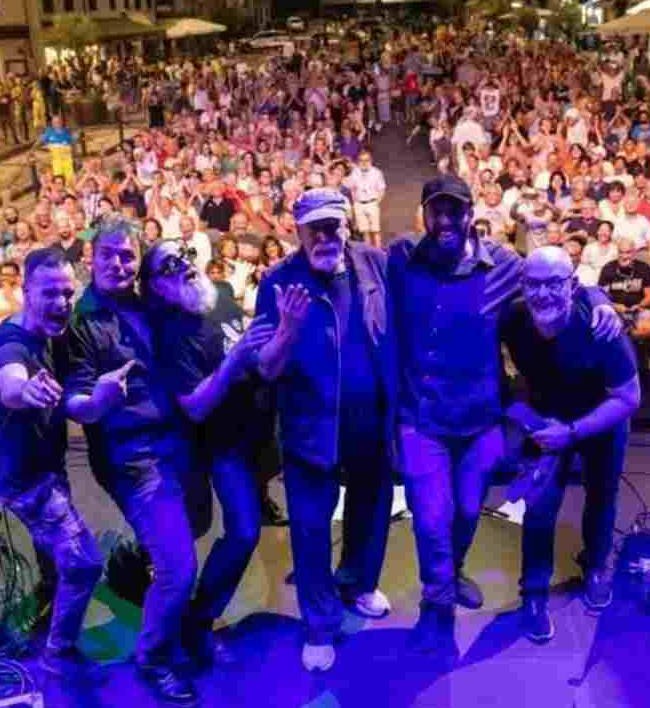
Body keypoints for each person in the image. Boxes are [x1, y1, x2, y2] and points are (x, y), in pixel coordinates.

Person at [387, 175, 619, 657]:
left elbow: (559, 278)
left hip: (478, 422)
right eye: (437, 210)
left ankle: (451, 572)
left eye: (455, 210)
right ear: (424, 214)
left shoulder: (503, 264)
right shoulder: (402, 258)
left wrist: (598, 298)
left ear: (471, 212)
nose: (446, 220)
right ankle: (439, 608)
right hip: (422, 419)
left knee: (468, 511)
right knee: (432, 519)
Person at [252, 189, 397, 672]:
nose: (325, 236)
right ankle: (319, 626)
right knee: (312, 532)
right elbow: (266, 369)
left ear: (348, 225)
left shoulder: (374, 264)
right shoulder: (277, 282)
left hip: (370, 423)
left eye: (332, 225)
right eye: (314, 227)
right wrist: (287, 331)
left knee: (370, 513)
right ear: (297, 231)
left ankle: (357, 583)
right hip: (310, 429)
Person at [63, 219, 200, 708]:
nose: (119, 264)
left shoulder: (145, 299)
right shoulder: (83, 322)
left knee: (187, 533)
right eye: (109, 255)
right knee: (179, 568)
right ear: (90, 258)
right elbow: (77, 400)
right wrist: (98, 400)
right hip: (134, 458)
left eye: (127, 255)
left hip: (176, 443)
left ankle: (136, 567)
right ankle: (155, 657)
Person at [140, 241, 273, 667]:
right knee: (243, 532)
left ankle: (186, 610)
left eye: (186, 255)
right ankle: (198, 622)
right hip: (222, 445)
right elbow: (195, 405)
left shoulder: (219, 293)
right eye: (170, 265)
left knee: (239, 524)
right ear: (156, 287)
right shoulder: (171, 334)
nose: (186, 265)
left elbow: (250, 346)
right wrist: (236, 359)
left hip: (260, 434)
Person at [501, 246, 640, 639]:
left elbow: (629, 398)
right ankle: (533, 593)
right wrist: (523, 414)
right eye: (534, 284)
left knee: (602, 495)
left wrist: (574, 431)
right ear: (522, 286)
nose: (543, 294)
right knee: (540, 506)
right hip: (546, 419)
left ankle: (596, 564)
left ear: (573, 286)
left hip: (600, 421)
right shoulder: (513, 318)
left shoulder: (601, 329)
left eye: (554, 284)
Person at [0, 248, 104, 679]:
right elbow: (10, 380)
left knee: (54, 553)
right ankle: (59, 653)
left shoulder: (47, 333)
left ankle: (50, 595)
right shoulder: (11, 345)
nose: (62, 303)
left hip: (40, 467)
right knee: (85, 562)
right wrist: (25, 392)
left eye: (68, 293)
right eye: (49, 293)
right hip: (26, 479)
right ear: (25, 291)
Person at [347, 150, 386, 248]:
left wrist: (377, 202)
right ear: (358, 161)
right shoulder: (355, 172)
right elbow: (352, 188)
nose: (364, 163)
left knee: (375, 231)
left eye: (366, 160)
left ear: (371, 160)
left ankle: (379, 252)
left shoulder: (376, 172)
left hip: (372, 203)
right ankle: (369, 253)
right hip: (359, 204)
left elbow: (382, 189)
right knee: (365, 232)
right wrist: (355, 202)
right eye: (361, 160)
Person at [39, 114, 75, 186]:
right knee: (58, 178)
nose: (57, 123)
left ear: (62, 122)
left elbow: (72, 143)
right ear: (52, 123)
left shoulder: (67, 131)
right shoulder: (49, 132)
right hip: (56, 161)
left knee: (70, 179)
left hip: (67, 160)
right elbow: (40, 142)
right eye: (55, 122)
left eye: (58, 121)